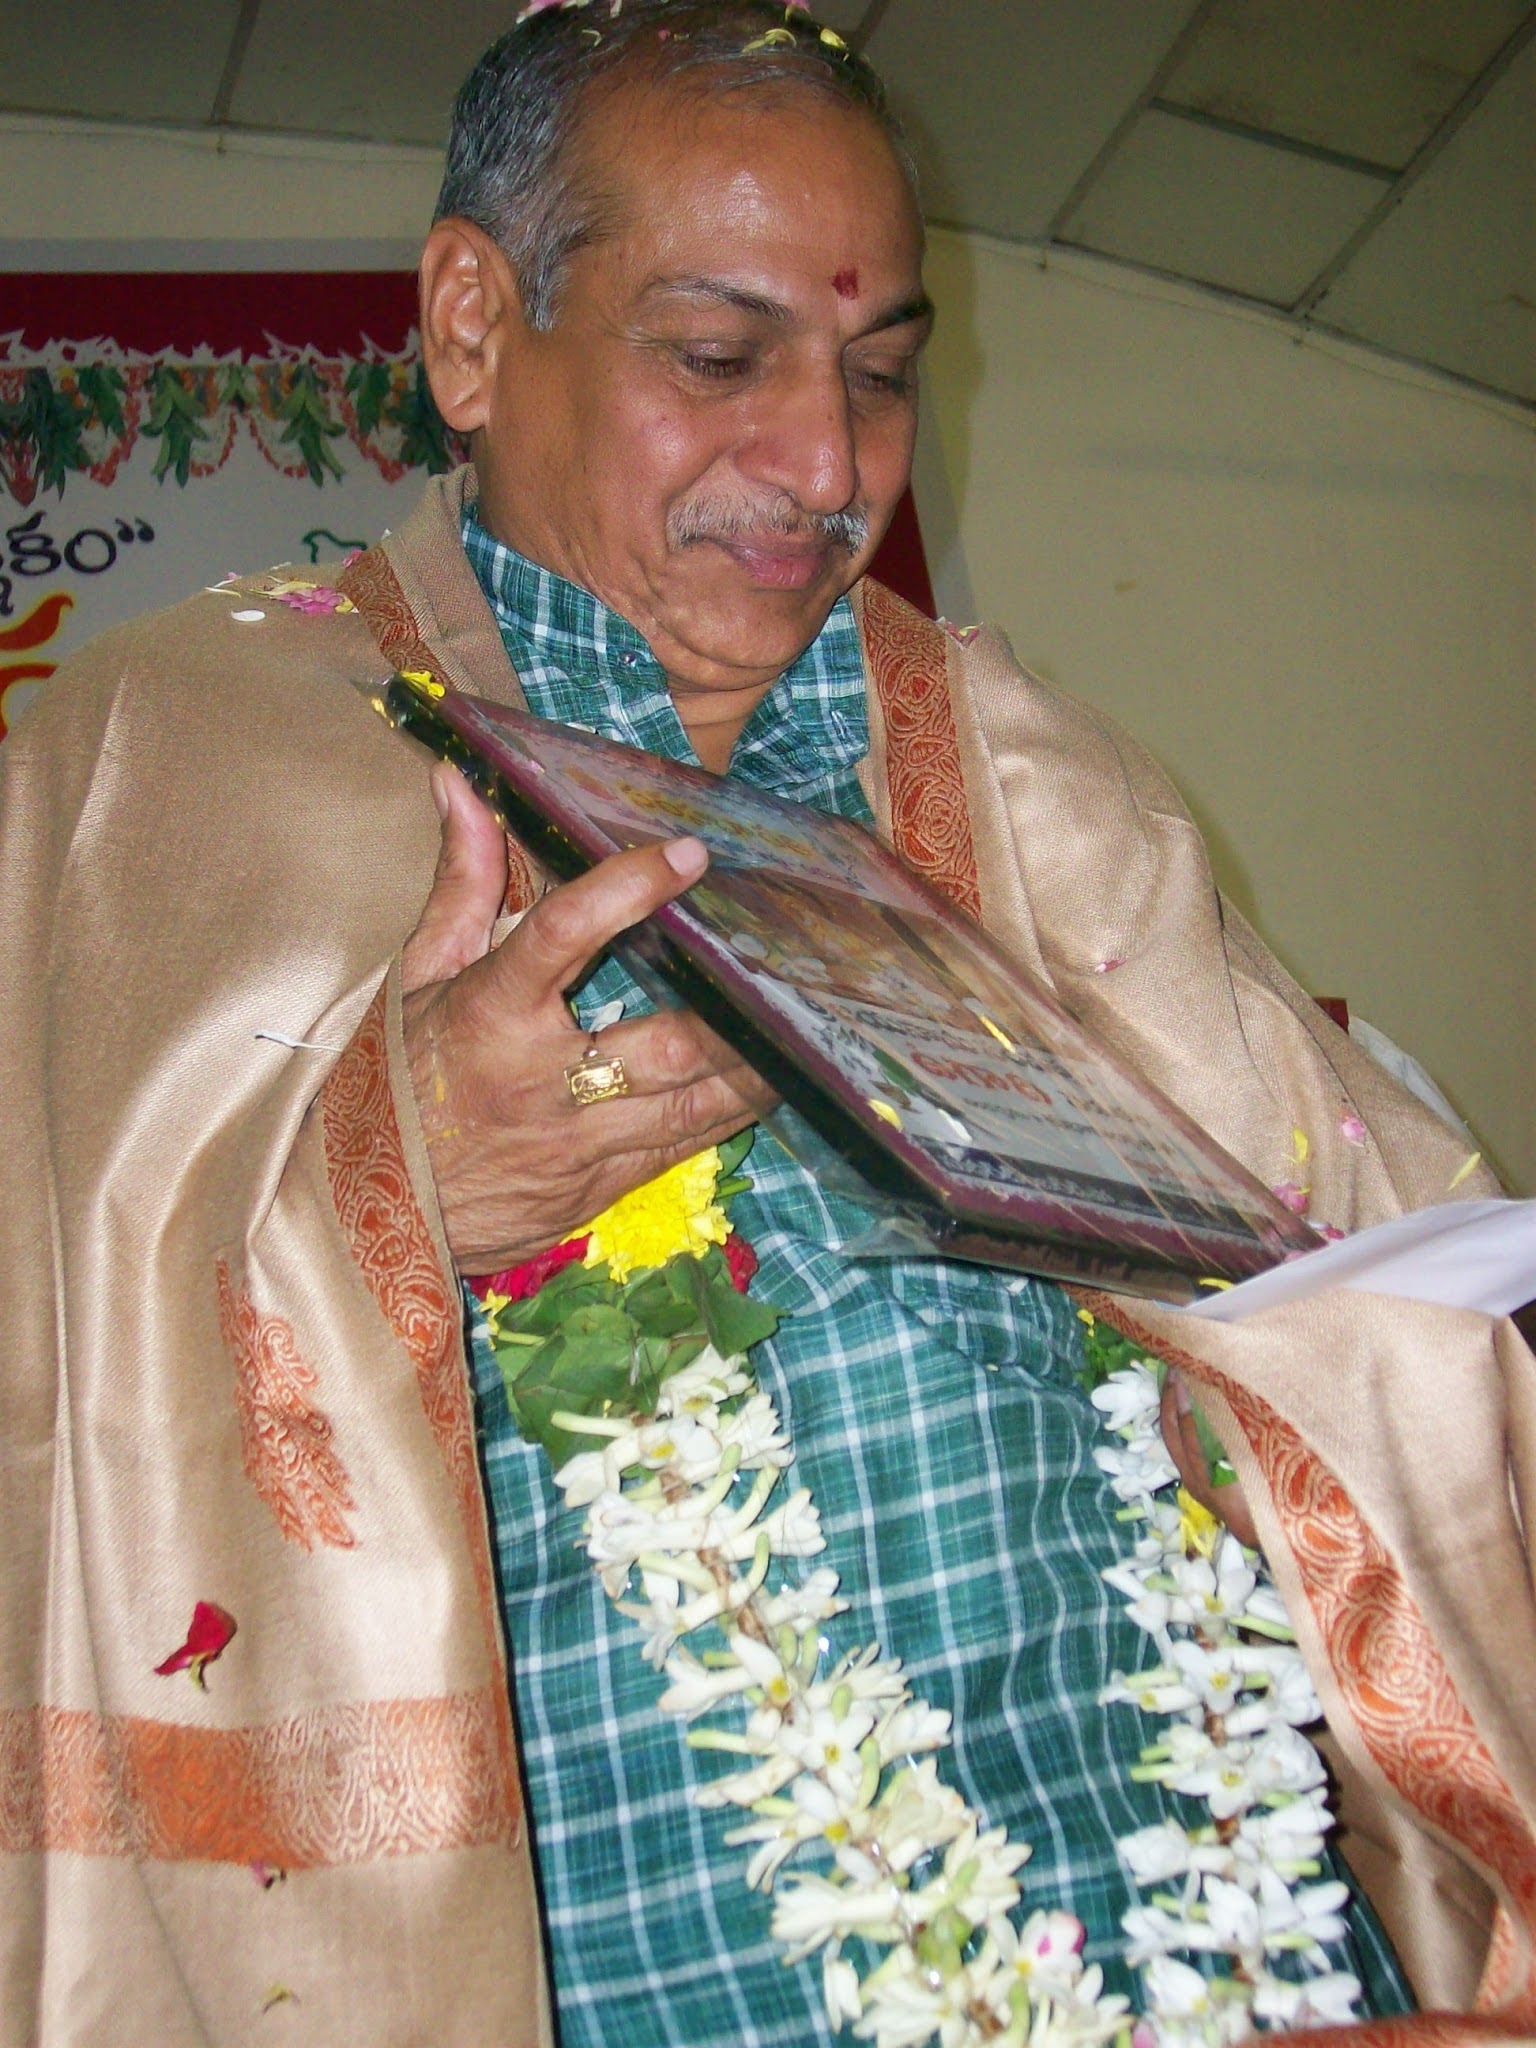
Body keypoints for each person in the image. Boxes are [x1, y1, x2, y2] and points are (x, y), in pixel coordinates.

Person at [2, 5, 1532, 2044]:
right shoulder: (157, 768)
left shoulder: (1034, 780)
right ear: (470, 330)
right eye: (720, 358)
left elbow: (1416, 1290)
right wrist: (384, 1187)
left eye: (880, 372)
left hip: (1210, 1956)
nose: (828, 468)